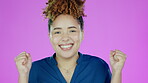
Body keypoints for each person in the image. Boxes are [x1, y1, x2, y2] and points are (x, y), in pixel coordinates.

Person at [14, 0, 127, 83]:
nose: (65, 38)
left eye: (72, 30)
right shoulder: (35, 69)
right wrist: (23, 75)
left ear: (82, 34)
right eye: (58, 32)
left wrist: (117, 71)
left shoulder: (98, 66)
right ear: (50, 36)